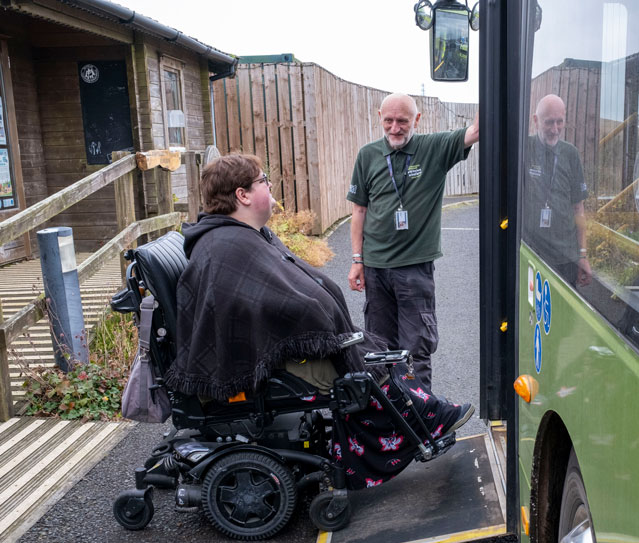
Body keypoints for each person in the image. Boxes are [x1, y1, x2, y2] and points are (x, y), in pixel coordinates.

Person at [165, 153, 474, 490]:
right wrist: (324, 322)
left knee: (373, 352)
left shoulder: (241, 235)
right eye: (263, 180)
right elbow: (270, 305)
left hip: (270, 352)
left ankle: (426, 419)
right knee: (358, 375)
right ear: (243, 195)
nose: (270, 186)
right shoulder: (229, 245)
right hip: (256, 366)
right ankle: (422, 426)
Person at [346, 93, 479, 387]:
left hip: (414, 270)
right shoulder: (368, 155)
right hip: (375, 269)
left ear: (416, 120)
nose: (395, 128)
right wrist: (357, 261)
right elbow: (359, 210)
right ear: (379, 116)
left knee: (416, 350)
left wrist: (489, 69)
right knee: (379, 351)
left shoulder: (434, 148)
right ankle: (389, 421)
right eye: (389, 121)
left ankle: (421, 420)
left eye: (402, 121)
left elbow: (476, 131)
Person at [522, 94, 590, 287]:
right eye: (549, 122)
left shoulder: (570, 154)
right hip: (532, 254)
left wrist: (583, 255)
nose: (555, 129)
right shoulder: (524, 148)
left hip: (565, 258)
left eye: (560, 122)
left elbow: (579, 209)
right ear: (536, 121)